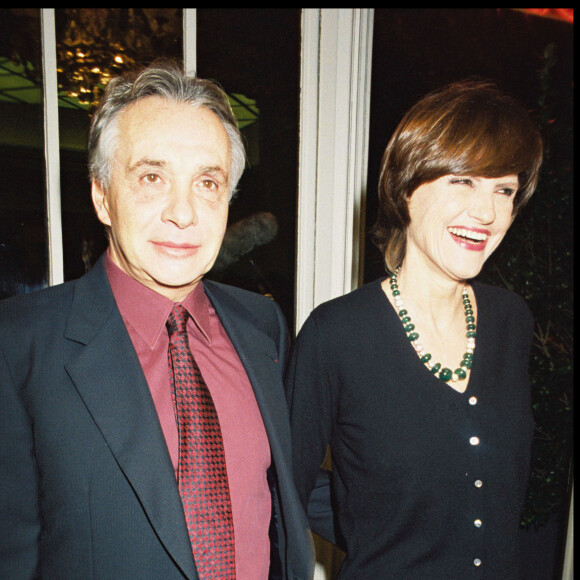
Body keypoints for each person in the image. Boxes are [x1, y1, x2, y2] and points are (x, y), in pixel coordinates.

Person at [0, 61, 313, 580]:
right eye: (152, 177)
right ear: (103, 195)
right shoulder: (19, 345)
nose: (184, 212)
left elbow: (282, 504)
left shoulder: (264, 326)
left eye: (207, 182)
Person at [286, 80, 543, 579]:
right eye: (462, 181)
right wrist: (366, 524)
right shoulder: (336, 334)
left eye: (504, 190)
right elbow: (282, 497)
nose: (486, 212)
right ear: (406, 187)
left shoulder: (512, 321)